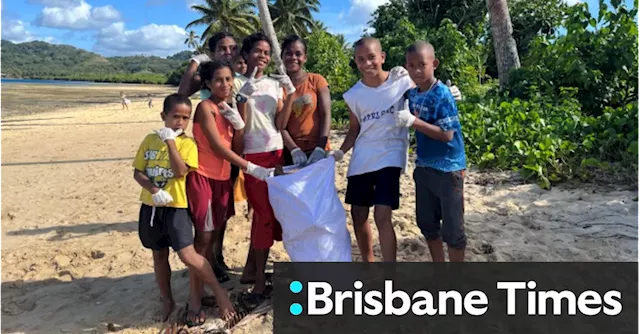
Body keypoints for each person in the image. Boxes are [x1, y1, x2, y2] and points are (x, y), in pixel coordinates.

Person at [132, 94, 236, 325]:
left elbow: (180, 171)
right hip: (151, 207)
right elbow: (138, 171)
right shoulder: (149, 140)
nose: (180, 122)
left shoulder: (187, 144)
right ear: (163, 116)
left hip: (176, 207)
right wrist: (153, 190)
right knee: (159, 255)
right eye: (175, 116)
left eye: (185, 118)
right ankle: (167, 300)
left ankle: (219, 293)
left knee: (188, 255)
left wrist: (170, 142)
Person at [185, 61, 272, 325]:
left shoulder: (228, 108)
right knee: (202, 239)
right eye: (219, 80)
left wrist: (240, 125)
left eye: (228, 79)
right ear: (208, 84)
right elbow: (217, 147)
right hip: (202, 177)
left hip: (223, 180)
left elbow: (236, 145)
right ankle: (195, 299)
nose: (225, 84)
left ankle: (204, 290)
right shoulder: (205, 108)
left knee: (210, 241)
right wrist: (251, 168)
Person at [328, 37, 415, 262]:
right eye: (360, 59)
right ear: (355, 62)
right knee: (358, 213)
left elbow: (425, 89)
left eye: (372, 57)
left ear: (382, 57)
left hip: (391, 155)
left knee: (382, 214)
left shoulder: (402, 81)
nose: (367, 63)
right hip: (363, 157)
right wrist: (341, 152)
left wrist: (444, 93)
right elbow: (354, 129)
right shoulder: (353, 95)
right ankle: (368, 262)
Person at [234, 32, 296, 307]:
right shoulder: (234, 82)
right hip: (252, 155)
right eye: (257, 50)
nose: (263, 55)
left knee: (277, 214)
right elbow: (240, 125)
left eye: (267, 52)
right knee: (262, 216)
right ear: (245, 55)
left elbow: (280, 122)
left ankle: (260, 272)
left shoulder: (273, 84)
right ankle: (258, 279)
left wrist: (291, 94)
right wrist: (240, 99)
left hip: (276, 151)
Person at [176, 31, 245, 272]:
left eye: (233, 47)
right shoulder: (207, 81)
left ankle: (217, 256)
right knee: (206, 223)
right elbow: (181, 93)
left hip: (233, 151)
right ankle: (207, 264)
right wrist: (195, 62)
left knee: (223, 214)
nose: (229, 52)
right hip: (211, 158)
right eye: (223, 48)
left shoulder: (239, 76)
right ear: (213, 52)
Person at [395, 41, 467, 262]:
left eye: (422, 65)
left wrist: (414, 121)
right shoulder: (412, 94)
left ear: (434, 64)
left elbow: (447, 135)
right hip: (425, 166)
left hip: (449, 168)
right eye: (411, 65)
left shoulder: (442, 94)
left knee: (453, 229)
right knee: (427, 223)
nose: (416, 70)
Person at [275, 35, 332, 166]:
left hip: (318, 149)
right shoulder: (277, 86)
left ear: (305, 58)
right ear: (282, 57)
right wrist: (294, 150)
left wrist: (320, 148)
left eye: (298, 54)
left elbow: (326, 114)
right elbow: (280, 125)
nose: (293, 57)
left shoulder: (316, 80)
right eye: (288, 53)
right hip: (291, 152)